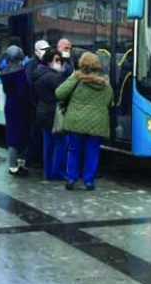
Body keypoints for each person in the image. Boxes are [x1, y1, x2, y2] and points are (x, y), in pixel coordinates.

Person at [56, 52, 113, 191]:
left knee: (74, 150)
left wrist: (74, 78)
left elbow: (59, 93)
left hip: (76, 122)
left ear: (82, 64)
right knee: (93, 151)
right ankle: (89, 181)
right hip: (97, 123)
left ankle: (72, 178)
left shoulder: (76, 77)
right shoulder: (105, 82)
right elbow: (110, 102)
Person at [33, 49, 68, 180]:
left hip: (42, 111)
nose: (59, 63)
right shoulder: (53, 77)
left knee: (47, 144)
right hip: (53, 113)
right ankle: (56, 172)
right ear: (49, 61)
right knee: (60, 143)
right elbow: (63, 92)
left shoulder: (37, 74)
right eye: (56, 60)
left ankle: (48, 172)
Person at [0, 45, 32, 176]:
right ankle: (16, 165)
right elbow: (23, 92)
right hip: (21, 106)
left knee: (13, 135)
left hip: (10, 105)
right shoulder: (20, 72)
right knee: (22, 135)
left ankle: (14, 165)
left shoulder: (5, 71)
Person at [25, 40, 50, 168]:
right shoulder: (31, 65)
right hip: (34, 105)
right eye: (43, 49)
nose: (46, 52)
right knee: (33, 134)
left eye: (47, 49)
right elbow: (30, 85)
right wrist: (34, 103)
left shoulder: (47, 63)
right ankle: (30, 160)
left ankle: (38, 160)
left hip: (42, 106)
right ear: (35, 51)